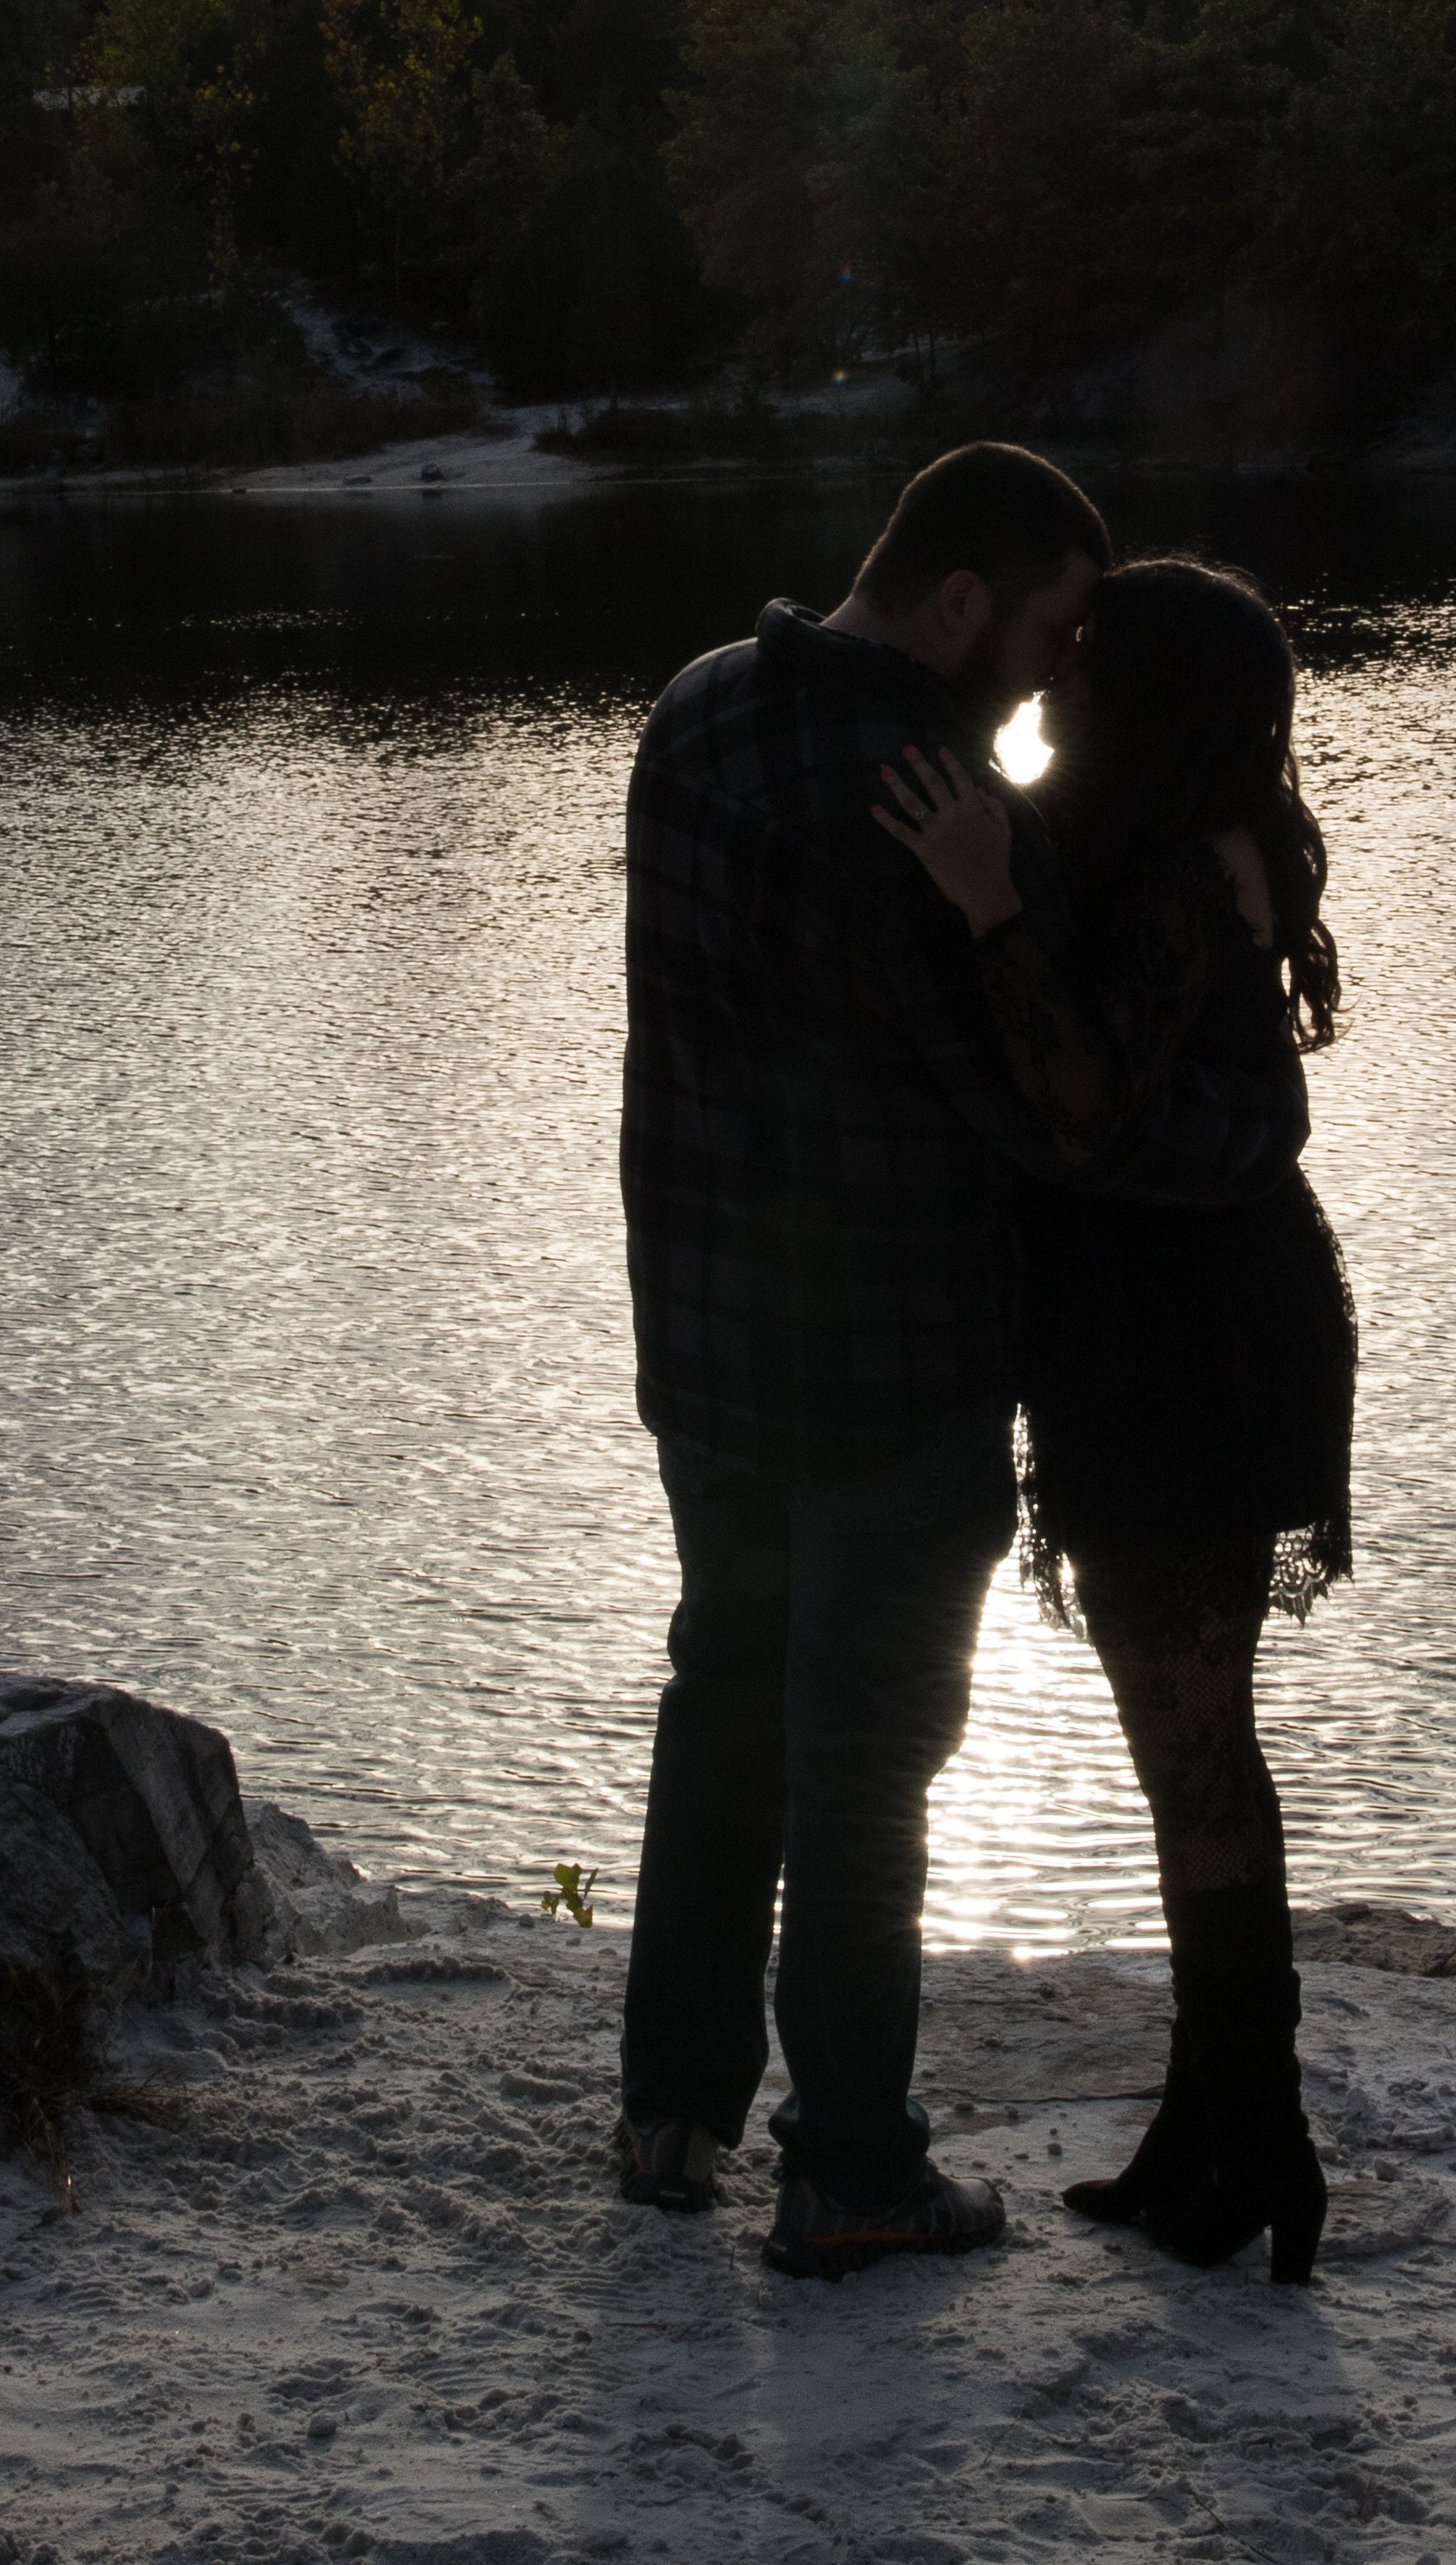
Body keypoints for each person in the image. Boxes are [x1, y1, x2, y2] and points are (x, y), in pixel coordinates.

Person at [614, 445, 1315, 2280]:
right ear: (955, 604)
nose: (1045, 674)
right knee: (863, 1765)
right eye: (1046, 629)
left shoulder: (693, 709)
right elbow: (1044, 1121)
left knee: (721, 1706)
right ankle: (850, 2164)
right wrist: (1250, 1142)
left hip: (699, 1351)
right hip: (889, 1365)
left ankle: (670, 2110)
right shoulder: (915, 796)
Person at [867, 555, 1353, 2283]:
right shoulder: (1195, 843)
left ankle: (1260, 2147)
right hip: (1168, 1329)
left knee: (1196, 1741)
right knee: (1188, 1742)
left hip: (1190, 1346)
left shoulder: (1175, 874)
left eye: (1086, 661)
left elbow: (1075, 1095)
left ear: (1143, 696)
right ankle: (1209, 2126)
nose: (1053, 683)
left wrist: (989, 901)